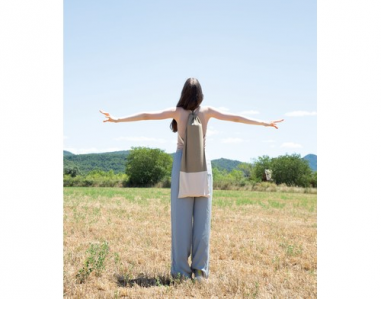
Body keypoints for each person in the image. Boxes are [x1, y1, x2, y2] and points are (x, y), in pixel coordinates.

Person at [99, 77, 284, 282]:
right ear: (200, 94)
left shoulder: (178, 112)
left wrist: (117, 119)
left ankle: (180, 272)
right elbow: (236, 118)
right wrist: (265, 123)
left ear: (184, 93)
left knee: (181, 221)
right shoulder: (207, 112)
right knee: (203, 221)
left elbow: (146, 115)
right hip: (203, 165)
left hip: (182, 165)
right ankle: (200, 272)